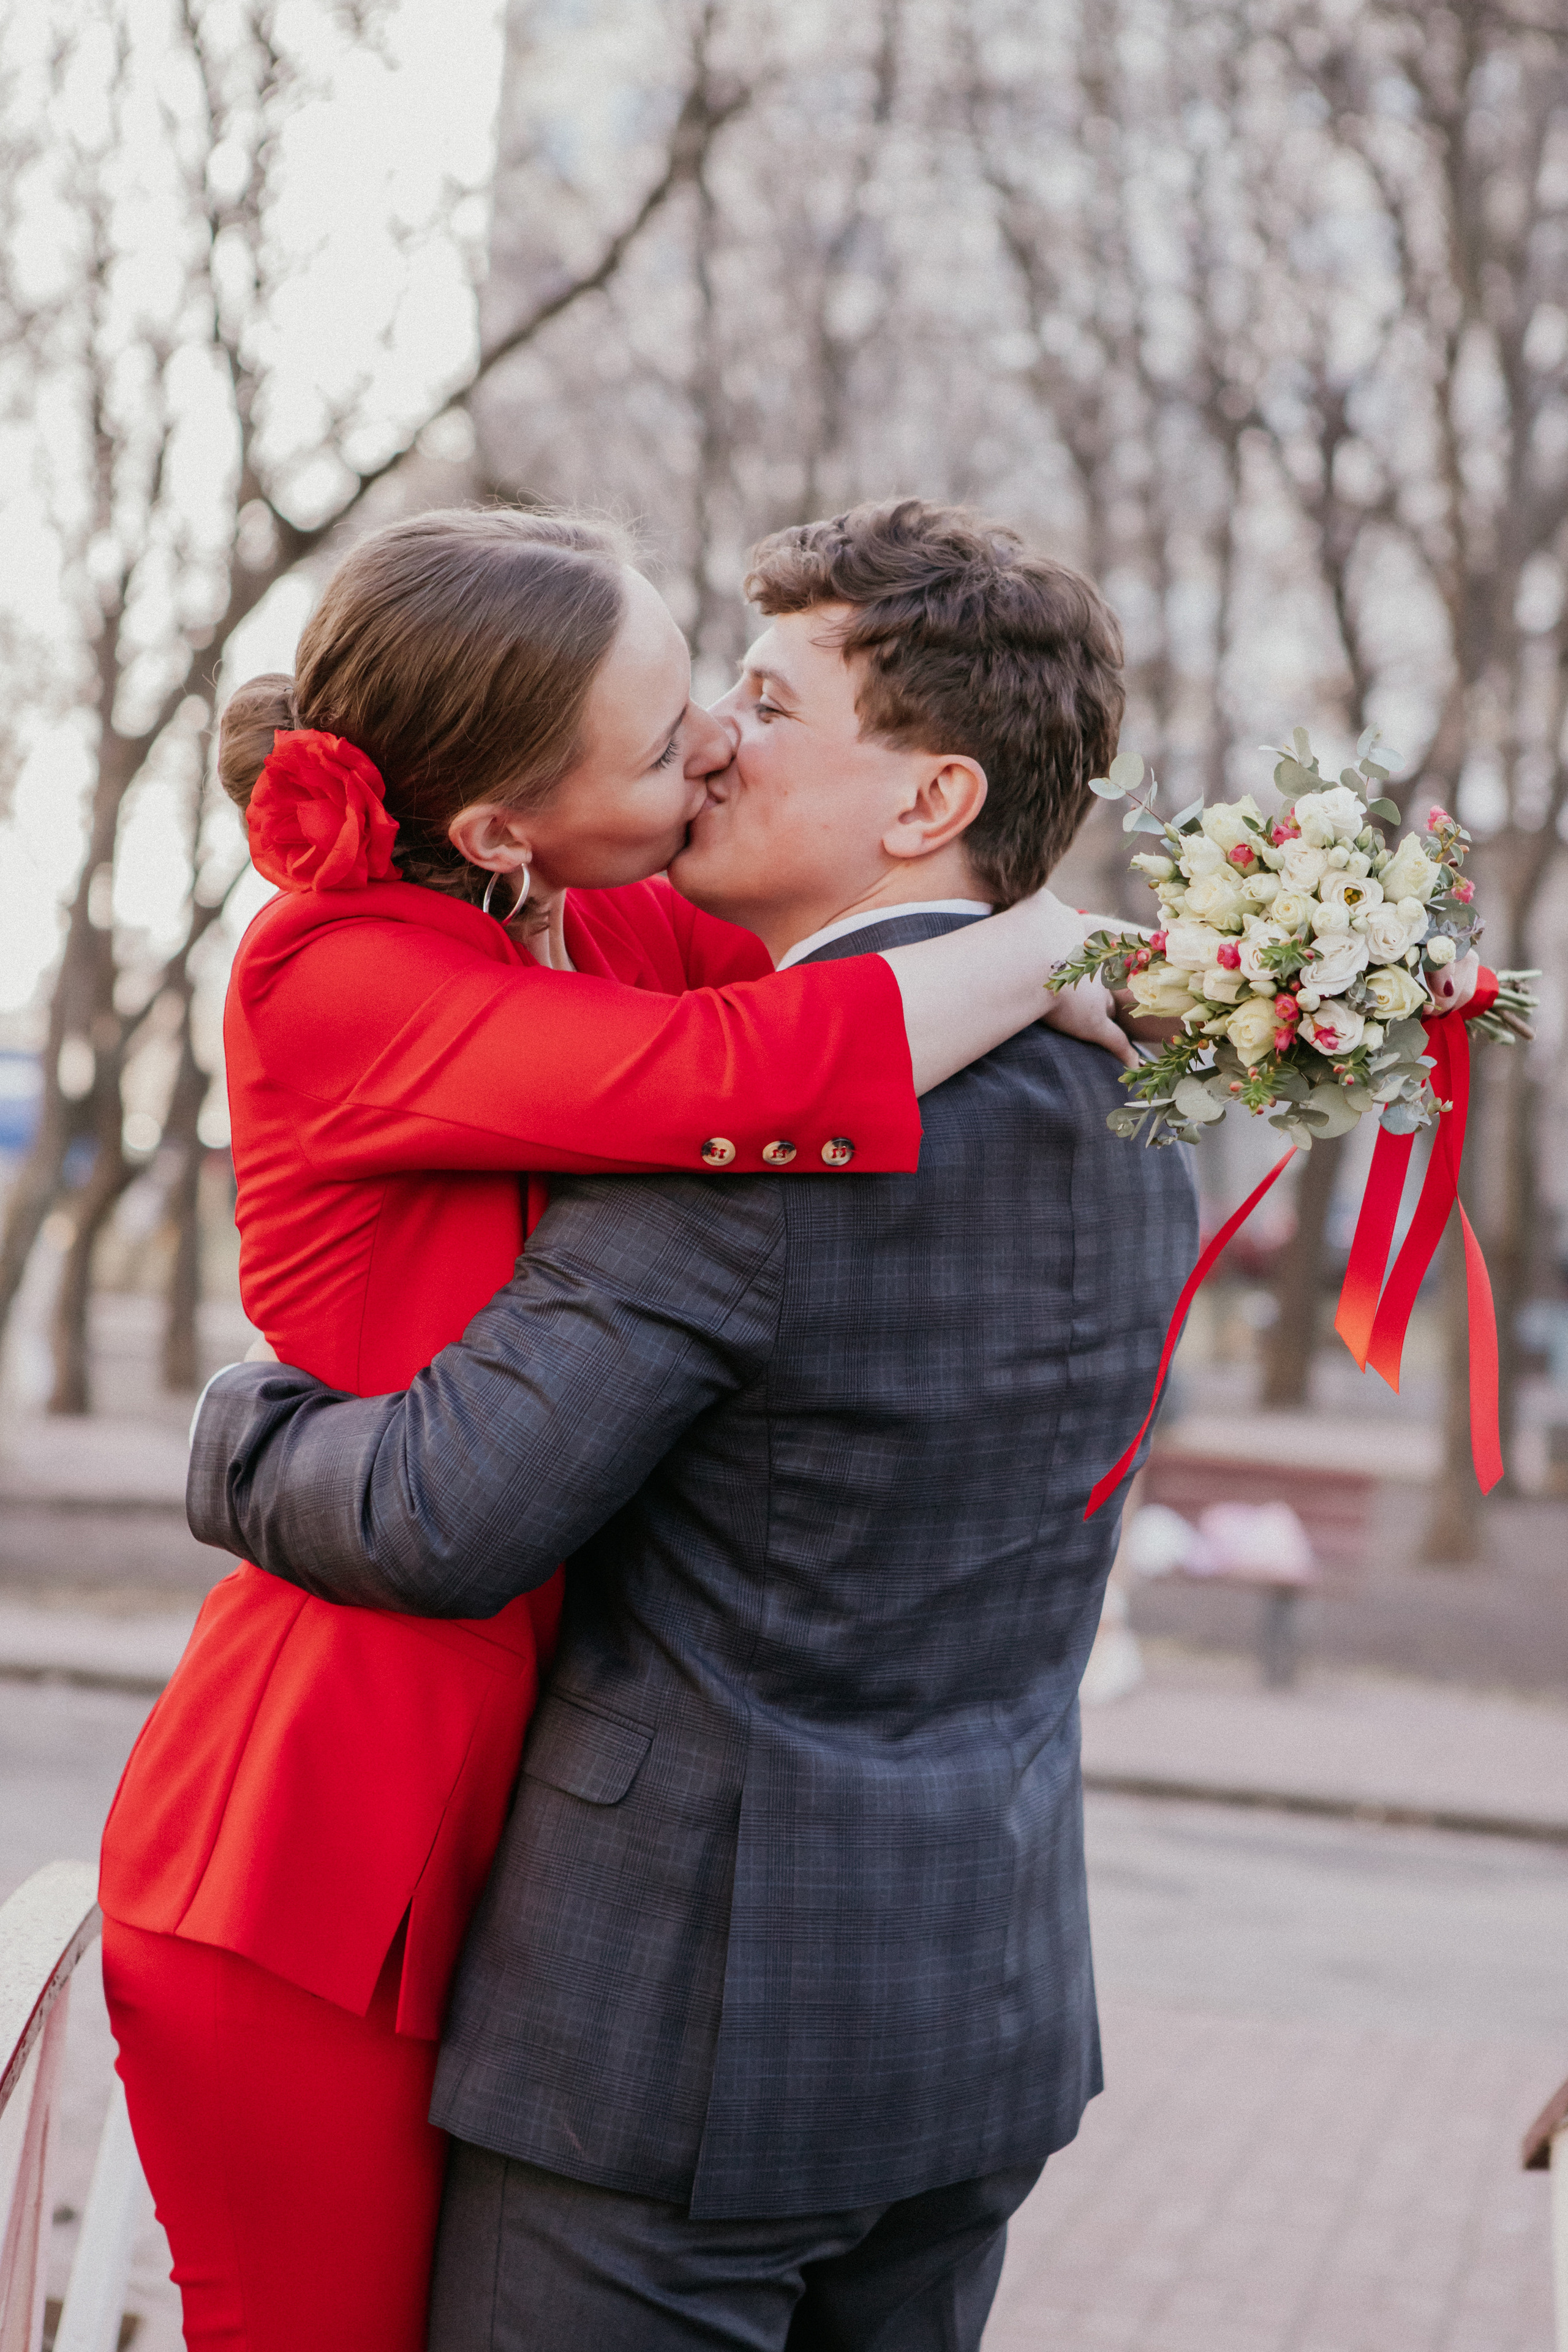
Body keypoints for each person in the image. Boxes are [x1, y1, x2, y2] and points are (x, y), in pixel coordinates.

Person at [98, 505, 1126, 2352]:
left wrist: (1166, 979)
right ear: (501, 819)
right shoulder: (338, 970)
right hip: (343, 1813)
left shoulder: (600, 914)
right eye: (673, 734)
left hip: (533, 1818)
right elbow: (772, 1070)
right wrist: (1064, 951)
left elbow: (838, 980)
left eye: (726, 702)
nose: (714, 746)